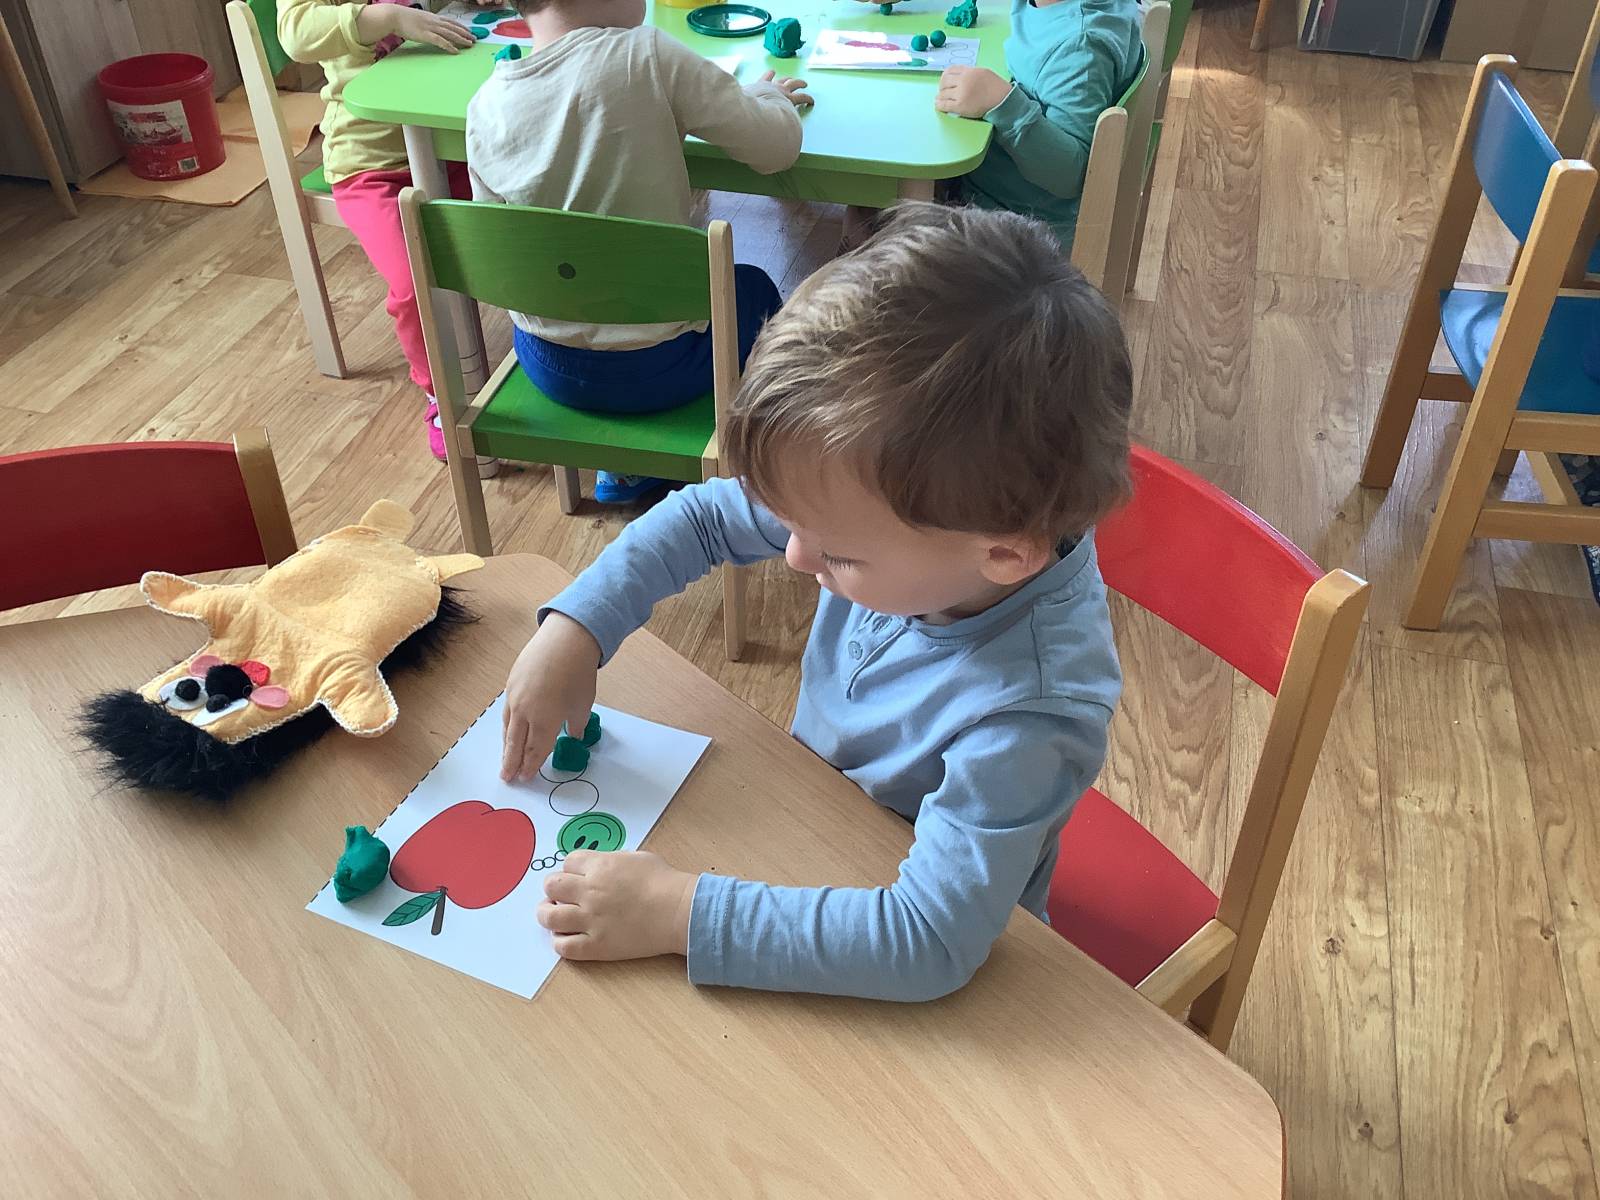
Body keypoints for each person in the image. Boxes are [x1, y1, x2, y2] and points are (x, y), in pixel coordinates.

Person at [501, 203, 1134, 1001]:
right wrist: (578, 627)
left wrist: (676, 914)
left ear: (1004, 555)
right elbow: (703, 517)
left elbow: (929, 941)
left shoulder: (1033, 713)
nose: (795, 557)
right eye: (794, 525)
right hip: (810, 826)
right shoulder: (900, 511)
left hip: (903, 942)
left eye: (837, 553)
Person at [467, 0, 812, 504]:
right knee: (754, 287)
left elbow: (502, 253)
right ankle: (767, 466)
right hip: (662, 370)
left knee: (597, 290)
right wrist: (767, 97)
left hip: (546, 364)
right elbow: (776, 148)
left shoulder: (484, 105)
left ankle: (624, 467)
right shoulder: (646, 53)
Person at [278, 0, 501, 468]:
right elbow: (296, 31)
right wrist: (391, 18)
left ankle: (563, 353)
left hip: (454, 142)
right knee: (413, 281)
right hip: (369, 167)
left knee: (540, 224)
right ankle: (443, 394)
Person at [934, 0, 1142, 255]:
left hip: (1020, 228)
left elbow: (1069, 175)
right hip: (999, 194)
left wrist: (1003, 103)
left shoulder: (1079, 48)